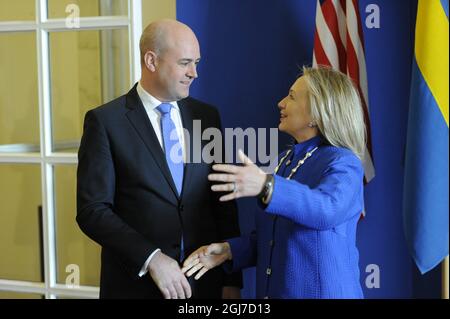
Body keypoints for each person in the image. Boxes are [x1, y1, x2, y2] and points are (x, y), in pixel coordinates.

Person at [76, 19, 241, 299]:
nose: (194, 73)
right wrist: (151, 258)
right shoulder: (105, 122)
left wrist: (231, 281)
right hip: (135, 288)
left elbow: (223, 201)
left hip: (204, 287)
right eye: (185, 62)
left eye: (197, 62)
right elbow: (93, 210)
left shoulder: (206, 117)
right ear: (151, 61)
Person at [182, 66, 366, 299]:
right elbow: (272, 239)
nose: (281, 103)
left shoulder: (344, 162)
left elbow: (327, 210)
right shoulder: (284, 161)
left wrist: (266, 186)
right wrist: (229, 251)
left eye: (291, 97)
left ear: (317, 114)